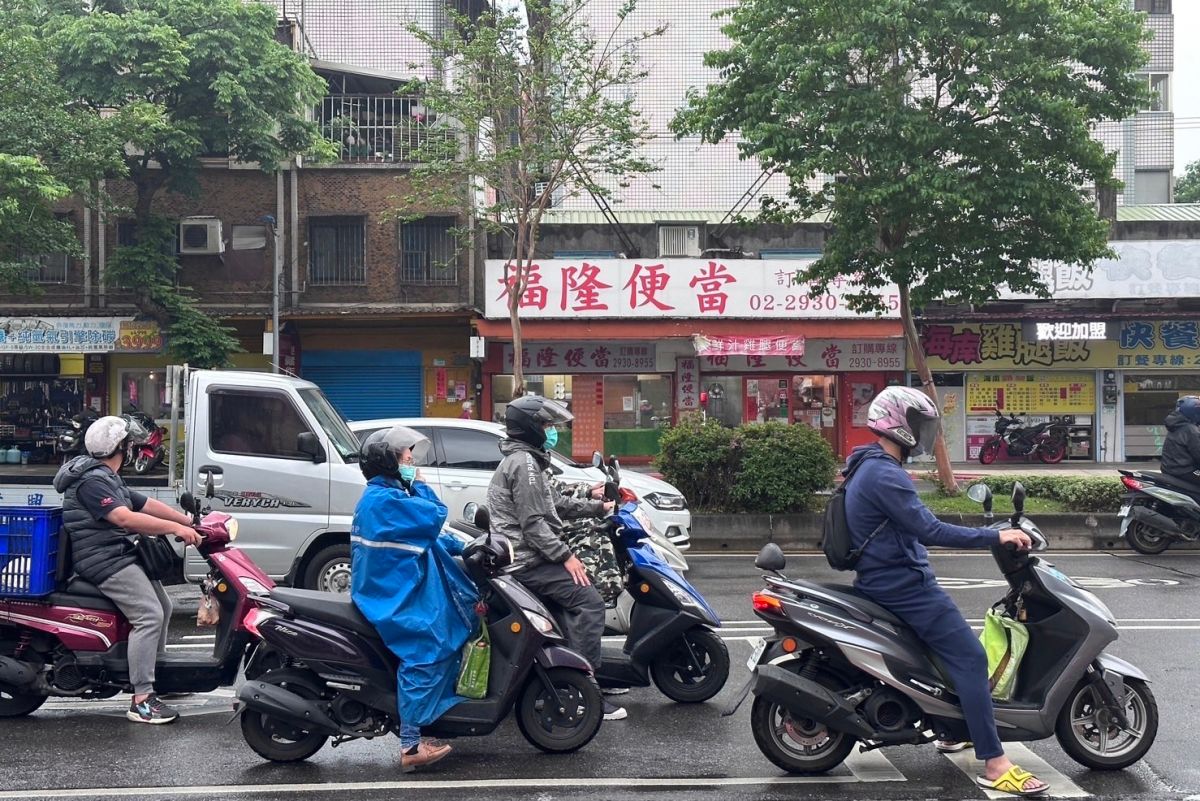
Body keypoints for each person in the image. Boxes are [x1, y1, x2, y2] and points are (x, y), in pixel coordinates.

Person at [843, 386, 1047, 797]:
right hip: (904, 586)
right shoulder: (884, 472)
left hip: (884, 578)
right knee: (971, 658)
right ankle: (995, 762)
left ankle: (953, 729)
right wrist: (995, 536)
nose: (924, 433)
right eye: (920, 424)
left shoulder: (867, 465)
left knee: (946, 656)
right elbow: (930, 530)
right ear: (897, 423)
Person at [53, 415, 202, 725]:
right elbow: (124, 518)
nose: (134, 448)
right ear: (122, 447)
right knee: (148, 615)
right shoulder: (92, 481)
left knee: (164, 605)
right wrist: (175, 528)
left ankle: (156, 675)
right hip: (103, 559)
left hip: (117, 553)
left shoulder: (104, 475)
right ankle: (142, 699)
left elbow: (142, 503)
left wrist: (189, 521)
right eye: (131, 443)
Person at [486, 395, 627, 721]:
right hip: (527, 562)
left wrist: (598, 507)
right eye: (546, 425)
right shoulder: (524, 465)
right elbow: (534, 525)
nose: (551, 431)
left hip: (527, 557)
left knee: (569, 606)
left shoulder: (528, 461)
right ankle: (584, 689)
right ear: (530, 428)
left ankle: (577, 675)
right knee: (589, 602)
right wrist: (566, 557)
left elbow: (555, 504)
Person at [350, 425, 480, 772]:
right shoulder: (387, 500)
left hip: (393, 588)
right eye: (405, 456)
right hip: (391, 597)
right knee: (429, 647)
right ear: (388, 462)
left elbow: (430, 537)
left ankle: (432, 717)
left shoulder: (387, 496)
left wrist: (468, 545)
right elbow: (435, 515)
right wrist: (419, 483)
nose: (411, 461)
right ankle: (410, 743)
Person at [1160, 395, 1200, 489]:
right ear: (1193, 411)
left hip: (1171, 469)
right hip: (1184, 470)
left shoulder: (1176, 425)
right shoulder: (1190, 430)